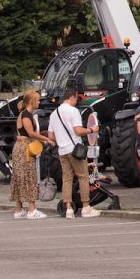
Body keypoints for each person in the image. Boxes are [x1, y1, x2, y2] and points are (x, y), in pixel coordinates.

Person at [48, 88, 99, 219]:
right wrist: (91, 130)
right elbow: (78, 131)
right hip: (74, 150)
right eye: (76, 98)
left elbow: (51, 136)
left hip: (62, 150)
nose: (77, 101)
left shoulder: (54, 114)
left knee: (67, 179)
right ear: (72, 97)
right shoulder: (73, 111)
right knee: (83, 176)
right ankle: (86, 207)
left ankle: (69, 209)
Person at [10, 89, 53, 219]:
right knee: (29, 176)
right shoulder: (26, 115)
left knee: (20, 177)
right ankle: (32, 209)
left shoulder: (23, 114)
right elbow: (31, 133)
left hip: (20, 147)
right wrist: (47, 139)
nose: (39, 102)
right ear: (31, 101)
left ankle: (18, 209)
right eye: (38, 100)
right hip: (24, 149)